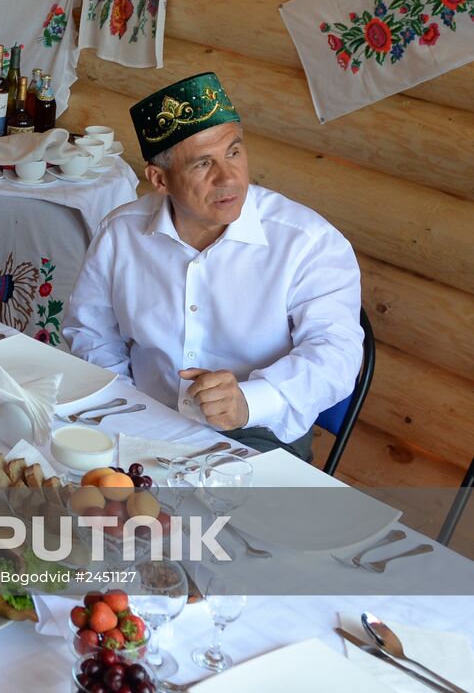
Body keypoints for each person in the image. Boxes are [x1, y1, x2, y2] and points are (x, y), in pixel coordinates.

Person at [62, 72, 363, 459]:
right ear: (160, 179)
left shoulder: (306, 242)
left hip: (258, 431)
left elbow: (336, 354)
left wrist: (249, 401)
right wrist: (126, 405)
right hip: (141, 414)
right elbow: (91, 329)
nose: (229, 178)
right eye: (203, 164)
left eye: (234, 153)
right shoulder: (121, 233)